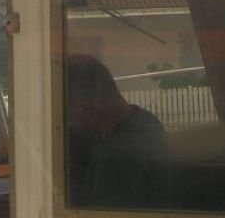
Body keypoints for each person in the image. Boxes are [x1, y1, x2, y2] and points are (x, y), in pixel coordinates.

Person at [65, 54, 168, 209]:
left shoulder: (114, 156)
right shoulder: (147, 121)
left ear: (85, 107)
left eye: (67, 114)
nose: (68, 123)